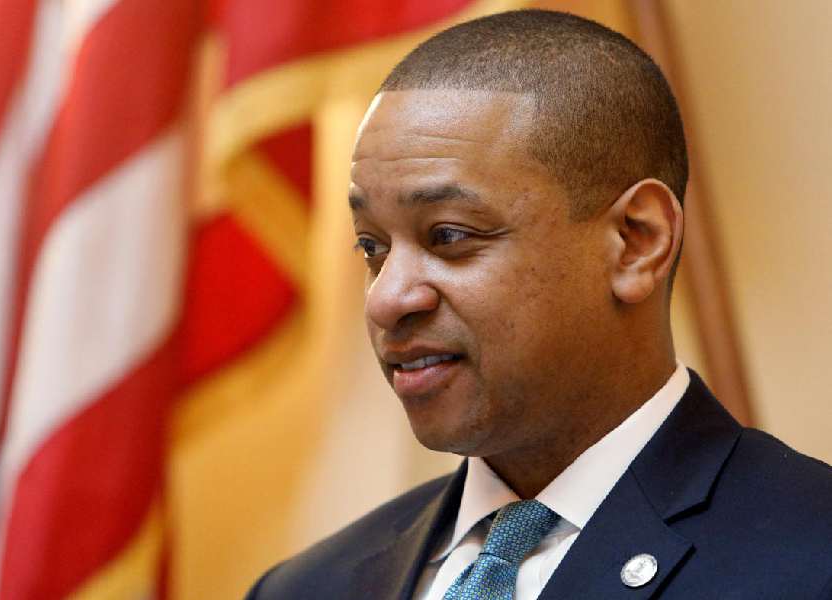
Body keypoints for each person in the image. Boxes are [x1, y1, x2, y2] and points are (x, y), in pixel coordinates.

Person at [247, 9, 832, 599]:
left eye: (448, 236)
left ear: (636, 241)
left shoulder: (812, 558)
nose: (387, 300)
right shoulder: (302, 588)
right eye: (371, 247)